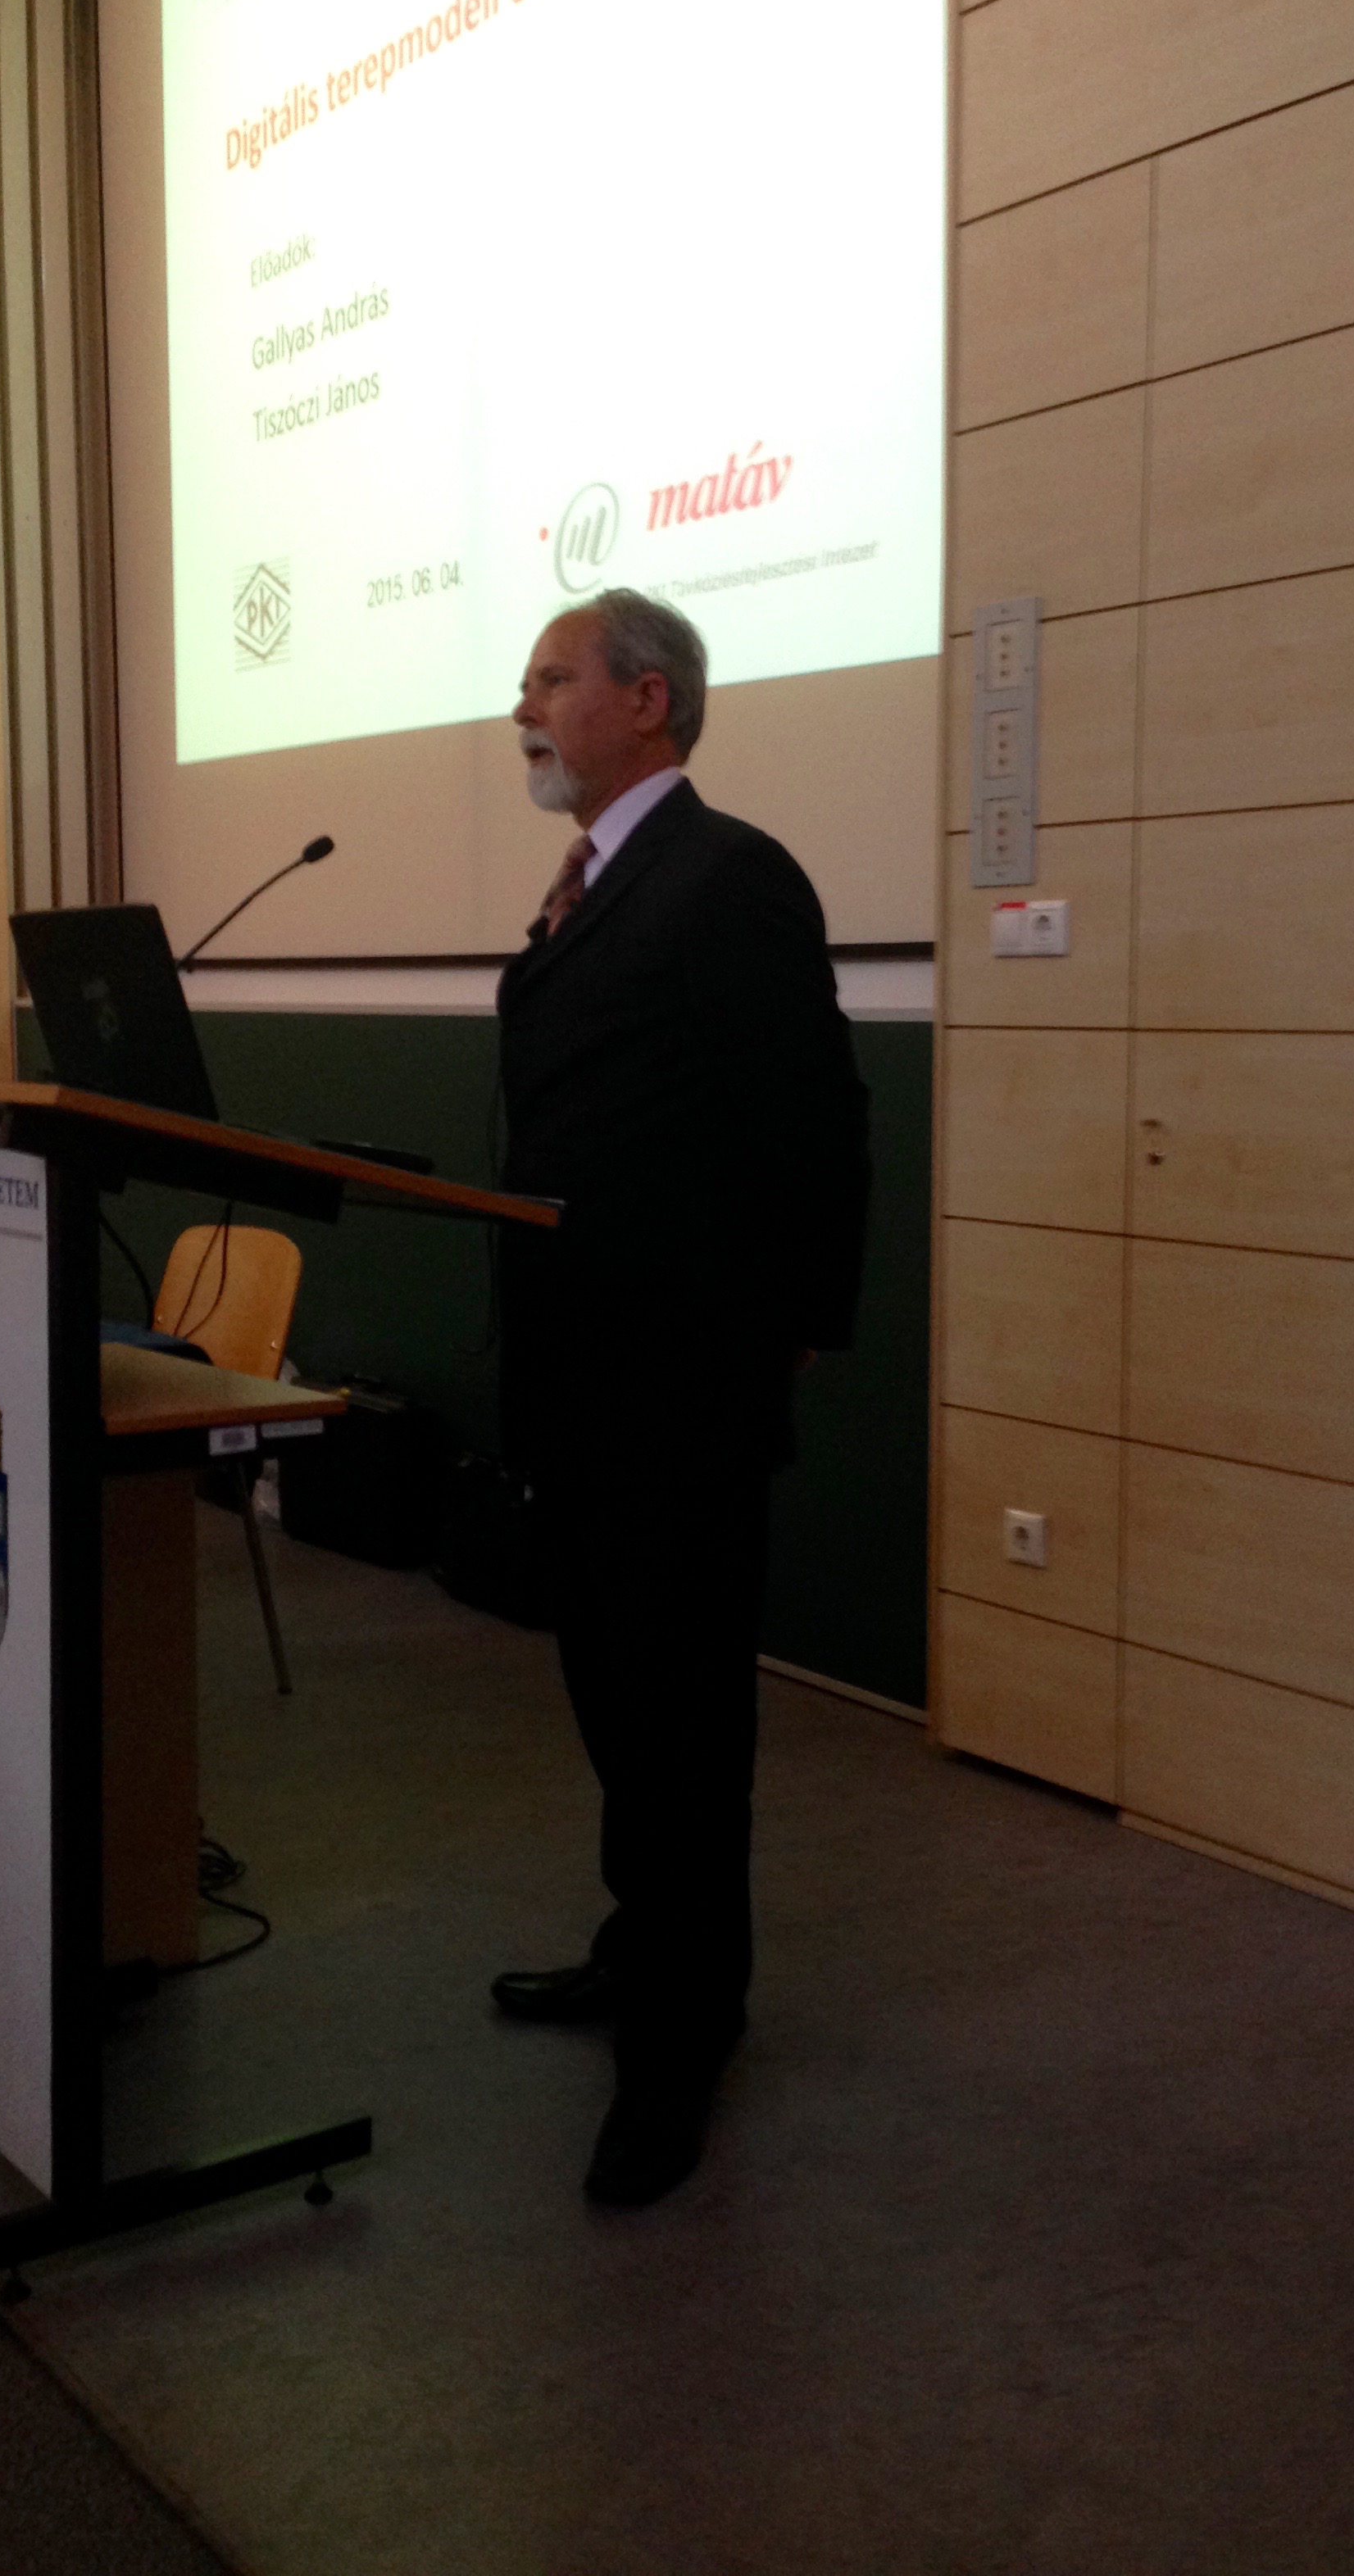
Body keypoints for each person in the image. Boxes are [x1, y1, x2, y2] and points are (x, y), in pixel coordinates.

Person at [493, 587, 870, 2207]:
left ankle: (683, 2037)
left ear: (647, 699)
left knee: (684, 1725)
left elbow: (818, 1117)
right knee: (612, 1695)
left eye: (552, 677)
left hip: (678, 1386)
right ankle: (640, 1947)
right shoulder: (590, 884)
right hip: (578, 1372)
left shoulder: (728, 876)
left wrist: (798, 1328)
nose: (524, 706)